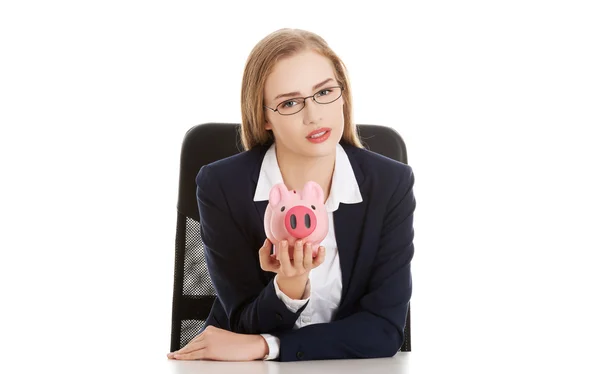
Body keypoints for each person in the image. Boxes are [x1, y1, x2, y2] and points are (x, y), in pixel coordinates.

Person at [168, 28, 416, 362]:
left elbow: (384, 330)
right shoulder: (221, 186)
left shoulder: (390, 183)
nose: (313, 115)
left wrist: (268, 346)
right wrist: (289, 285)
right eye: (289, 102)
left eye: (325, 92)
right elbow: (241, 322)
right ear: (265, 116)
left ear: (343, 94)